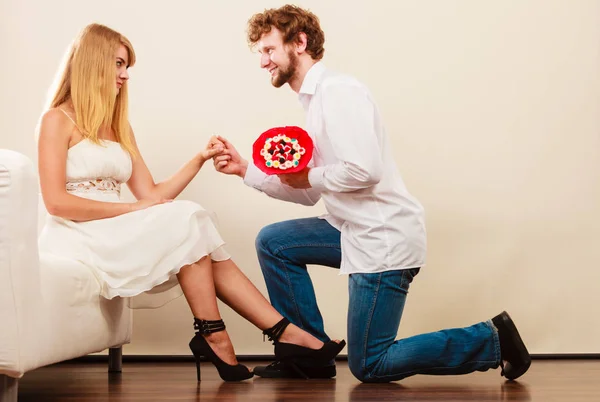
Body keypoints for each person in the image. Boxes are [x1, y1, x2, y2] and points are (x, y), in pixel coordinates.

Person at [212, 5, 531, 382]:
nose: (263, 61)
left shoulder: (338, 93)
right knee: (275, 242)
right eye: (261, 53)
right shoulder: (314, 102)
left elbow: (365, 169)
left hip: (383, 239)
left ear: (299, 42)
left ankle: (493, 340)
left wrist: (310, 176)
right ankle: (308, 353)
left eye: (269, 50)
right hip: (352, 229)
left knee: (371, 364)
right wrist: (246, 169)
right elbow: (309, 191)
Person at [36, 22, 344, 383]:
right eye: (119, 64)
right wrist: (130, 209)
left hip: (114, 226)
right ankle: (255, 334)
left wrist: (199, 158)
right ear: (93, 64)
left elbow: (152, 195)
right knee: (190, 221)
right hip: (79, 233)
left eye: (127, 66)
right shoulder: (56, 120)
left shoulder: (117, 126)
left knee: (193, 221)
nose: (125, 75)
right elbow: (56, 202)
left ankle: (248, 334)